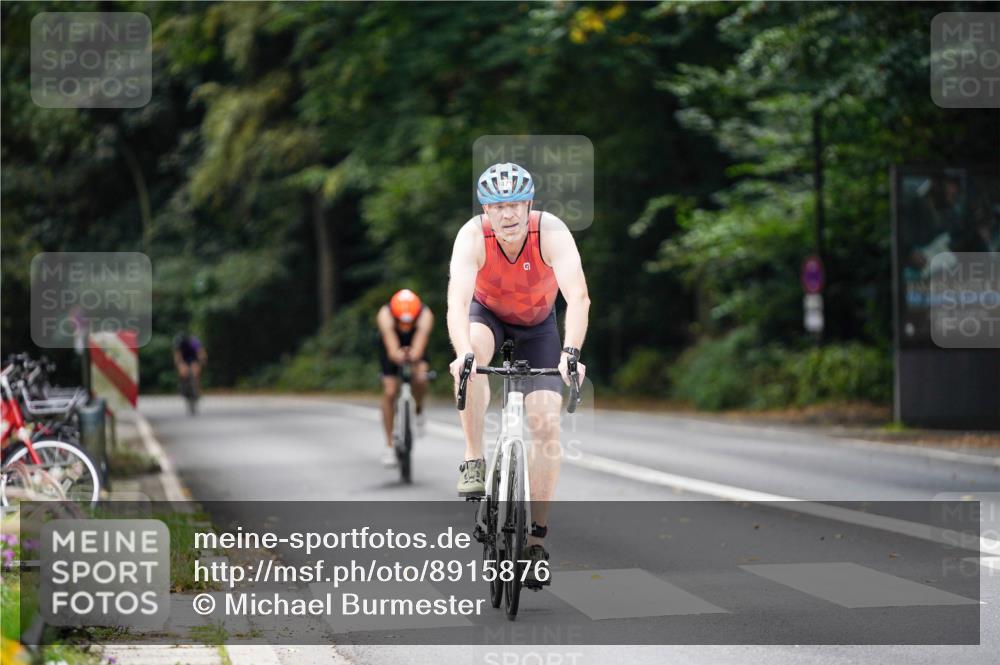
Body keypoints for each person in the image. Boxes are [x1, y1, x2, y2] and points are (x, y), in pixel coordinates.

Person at [447, 162, 590, 583]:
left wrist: (571, 352)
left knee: (546, 422)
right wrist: (462, 353)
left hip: (538, 326)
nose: (507, 215)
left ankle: (536, 538)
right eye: (497, 207)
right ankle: (474, 458)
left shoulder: (551, 232)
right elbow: (456, 303)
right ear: (485, 211)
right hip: (485, 315)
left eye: (515, 205)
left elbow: (578, 297)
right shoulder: (473, 236)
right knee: (471, 364)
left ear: (529, 204)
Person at [377, 289, 433, 468]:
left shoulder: (425, 315)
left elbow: (420, 342)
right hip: (392, 346)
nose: (405, 326)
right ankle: (389, 445)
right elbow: (391, 346)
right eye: (401, 322)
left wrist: (414, 355)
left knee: (421, 376)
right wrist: (397, 355)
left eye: (409, 323)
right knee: (390, 390)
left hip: (415, 344)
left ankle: (418, 409)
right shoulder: (385, 314)